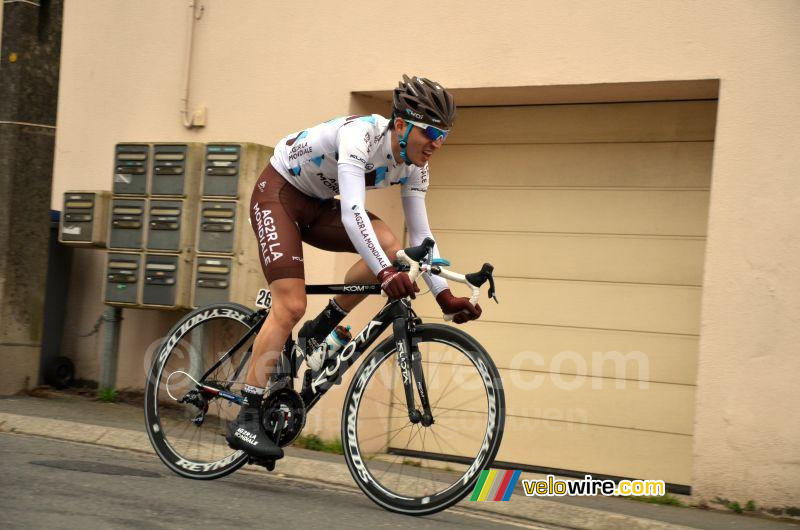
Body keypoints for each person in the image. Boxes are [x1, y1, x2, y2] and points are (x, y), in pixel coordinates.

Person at [226, 75, 482, 463]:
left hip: (316, 205)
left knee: (394, 247)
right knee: (290, 305)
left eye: (443, 135)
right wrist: (383, 274)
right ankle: (246, 417)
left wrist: (444, 296)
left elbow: (423, 235)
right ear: (400, 124)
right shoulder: (361, 137)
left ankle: (322, 327)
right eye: (430, 131)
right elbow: (353, 212)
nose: (437, 143)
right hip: (279, 194)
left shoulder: (416, 167)